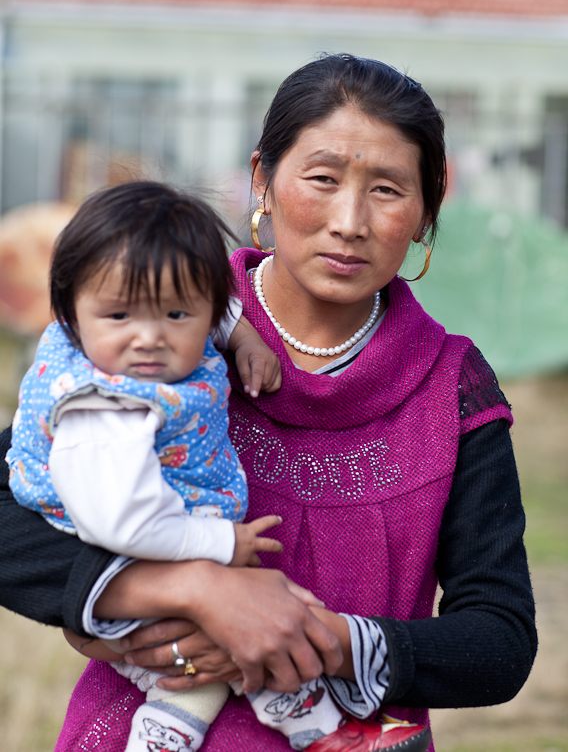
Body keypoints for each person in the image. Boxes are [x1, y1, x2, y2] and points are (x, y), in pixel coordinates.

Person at [0, 54, 537, 752]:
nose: (349, 221)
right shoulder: (156, 321)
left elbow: (499, 638)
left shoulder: (450, 385)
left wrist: (324, 639)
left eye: (387, 190)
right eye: (322, 179)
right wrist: (191, 593)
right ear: (262, 179)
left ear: (427, 210)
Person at [6, 180, 429, 752]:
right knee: (255, 624)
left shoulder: (147, 325)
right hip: (121, 551)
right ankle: (324, 729)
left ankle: (213, 732)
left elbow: (212, 303)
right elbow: (125, 524)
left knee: (218, 659)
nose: (149, 337)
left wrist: (244, 337)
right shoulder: (104, 413)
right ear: (70, 312)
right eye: (120, 314)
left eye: (176, 313)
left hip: (152, 540)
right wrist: (220, 544)